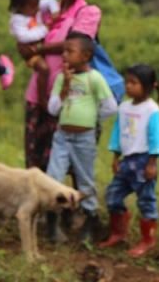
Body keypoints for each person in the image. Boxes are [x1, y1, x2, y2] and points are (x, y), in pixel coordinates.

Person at [18, 0, 101, 172]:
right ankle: (36, 200)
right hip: (39, 89)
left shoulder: (88, 11)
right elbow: (26, 36)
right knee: (35, 151)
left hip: (69, 91)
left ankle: (66, 202)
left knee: (63, 156)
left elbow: (75, 44)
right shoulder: (48, 11)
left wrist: (39, 49)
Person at [45, 31, 118, 243]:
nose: (64, 56)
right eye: (63, 51)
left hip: (84, 138)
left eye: (70, 51)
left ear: (86, 56)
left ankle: (89, 221)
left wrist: (92, 120)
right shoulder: (61, 78)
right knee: (53, 178)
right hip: (62, 136)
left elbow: (111, 107)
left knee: (85, 179)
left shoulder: (94, 78)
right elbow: (53, 109)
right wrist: (65, 86)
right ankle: (52, 223)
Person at [99, 63, 159, 257]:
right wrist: (115, 157)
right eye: (127, 82)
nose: (128, 86)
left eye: (134, 83)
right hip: (126, 160)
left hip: (144, 161)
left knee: (146, 200)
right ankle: (118, 233)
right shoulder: (124, 107)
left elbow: (155, 138)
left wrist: (152, 163)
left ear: (148, 86)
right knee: (113, 195)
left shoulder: (152, 110)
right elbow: (117, 132)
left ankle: (148, 240)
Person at [8, 0, 61, 105]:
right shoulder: (17, 20)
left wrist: (55, 11)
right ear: (19, 7)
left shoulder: (34, 7)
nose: (36, 9)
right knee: (44, 69)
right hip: (30, 51)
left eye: (36, 4)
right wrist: (45, 29)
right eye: (31, 7)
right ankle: (42, 98)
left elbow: (50, 1)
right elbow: (24, 37)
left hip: (41, 44)